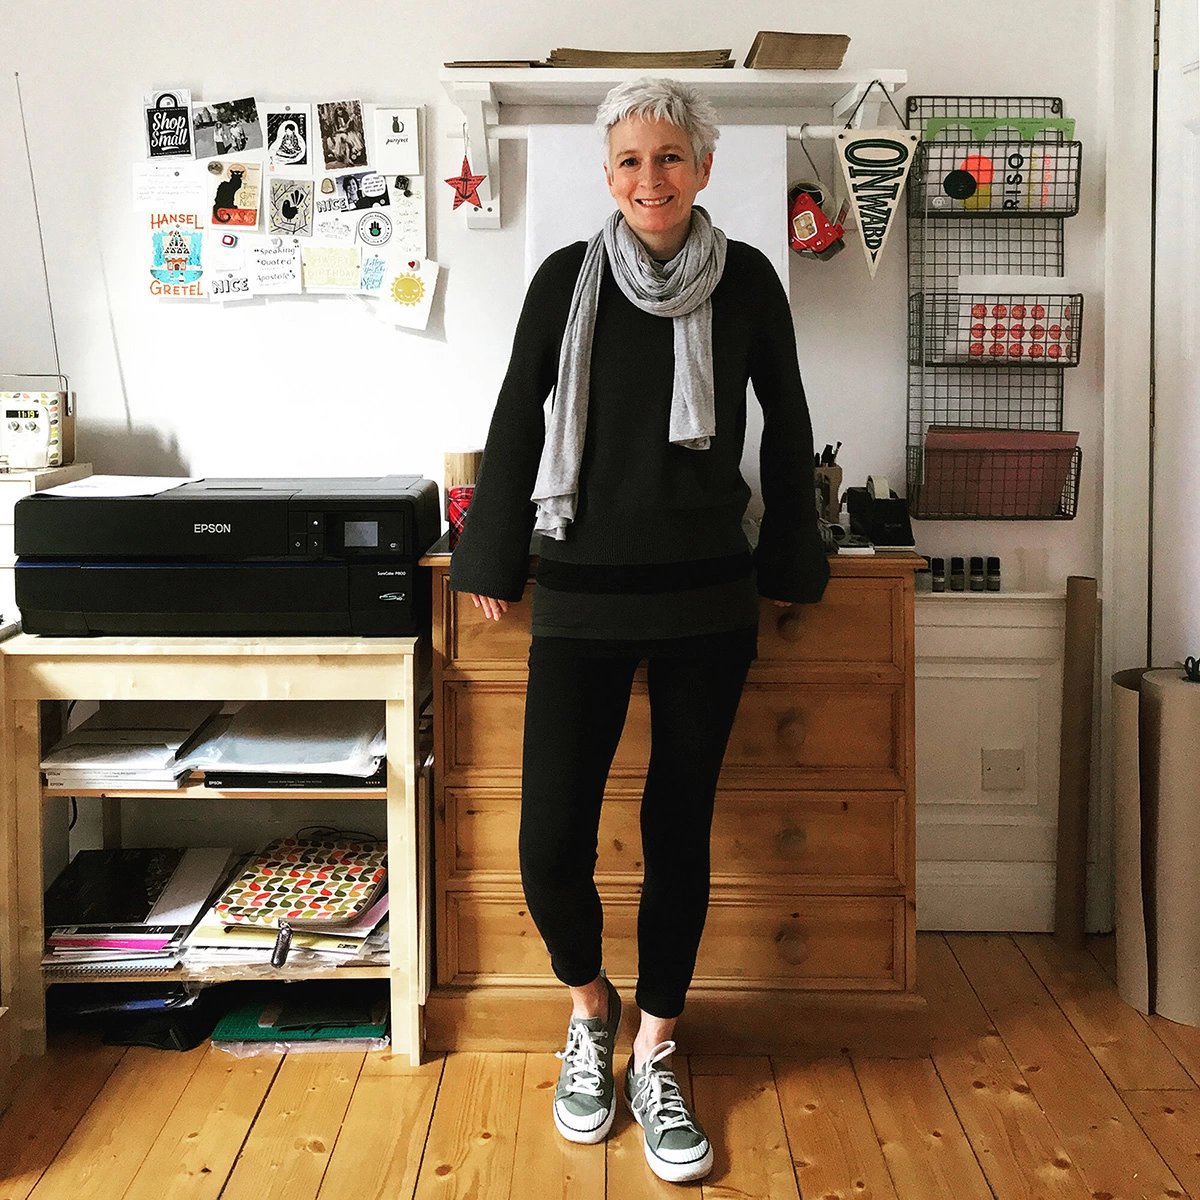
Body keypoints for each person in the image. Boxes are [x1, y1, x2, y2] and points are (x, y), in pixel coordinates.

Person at [448, 77, 828, 1184]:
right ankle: (591, 1007)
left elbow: (790, 419)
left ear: (703, 167)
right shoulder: (564, 281)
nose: (650, 180)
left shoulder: (749, 280)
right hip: (579, 590)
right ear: (606, 176)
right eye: (629, 162)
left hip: (710, 593)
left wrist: (795, 559)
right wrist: (491, 554)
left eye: (670, 158)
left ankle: (657, 1044)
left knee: (678, 831)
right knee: (548, 842)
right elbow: (522, 410)